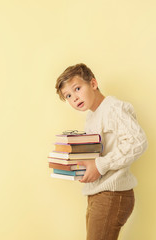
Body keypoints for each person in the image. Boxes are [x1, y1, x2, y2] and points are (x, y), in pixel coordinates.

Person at [55, 63, 148, 240]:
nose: (74, 97)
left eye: (77, 88)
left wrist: (99, 165)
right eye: (68, 95)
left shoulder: (112, 108)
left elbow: (138, 141)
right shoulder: (92, 116)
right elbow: (100, 155)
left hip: (112, 193)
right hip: (97, 193)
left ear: (93, 83)